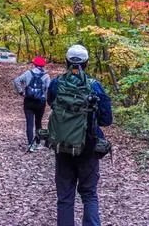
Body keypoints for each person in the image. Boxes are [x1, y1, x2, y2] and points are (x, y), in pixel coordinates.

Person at [47, 44, 113, 226]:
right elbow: (106, 120)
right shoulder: (95, 86)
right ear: (87, 63)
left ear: (66, 62)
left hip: (63, 146)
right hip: (88, 147)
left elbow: (51, 103)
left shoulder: (56, 83)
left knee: (65, 197)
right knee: (89, 194)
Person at [13, 56, 50, 152]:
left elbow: (16, 81)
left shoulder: (28, 73)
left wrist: (21, 92)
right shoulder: (46, 75)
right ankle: (37, 143)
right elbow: (48, 89)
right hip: (40, 102)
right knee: (38, 122)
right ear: (43, 65)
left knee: (29, 123)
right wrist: (46, 98)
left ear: (34, 64)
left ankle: (30, 144)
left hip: (28, 101)